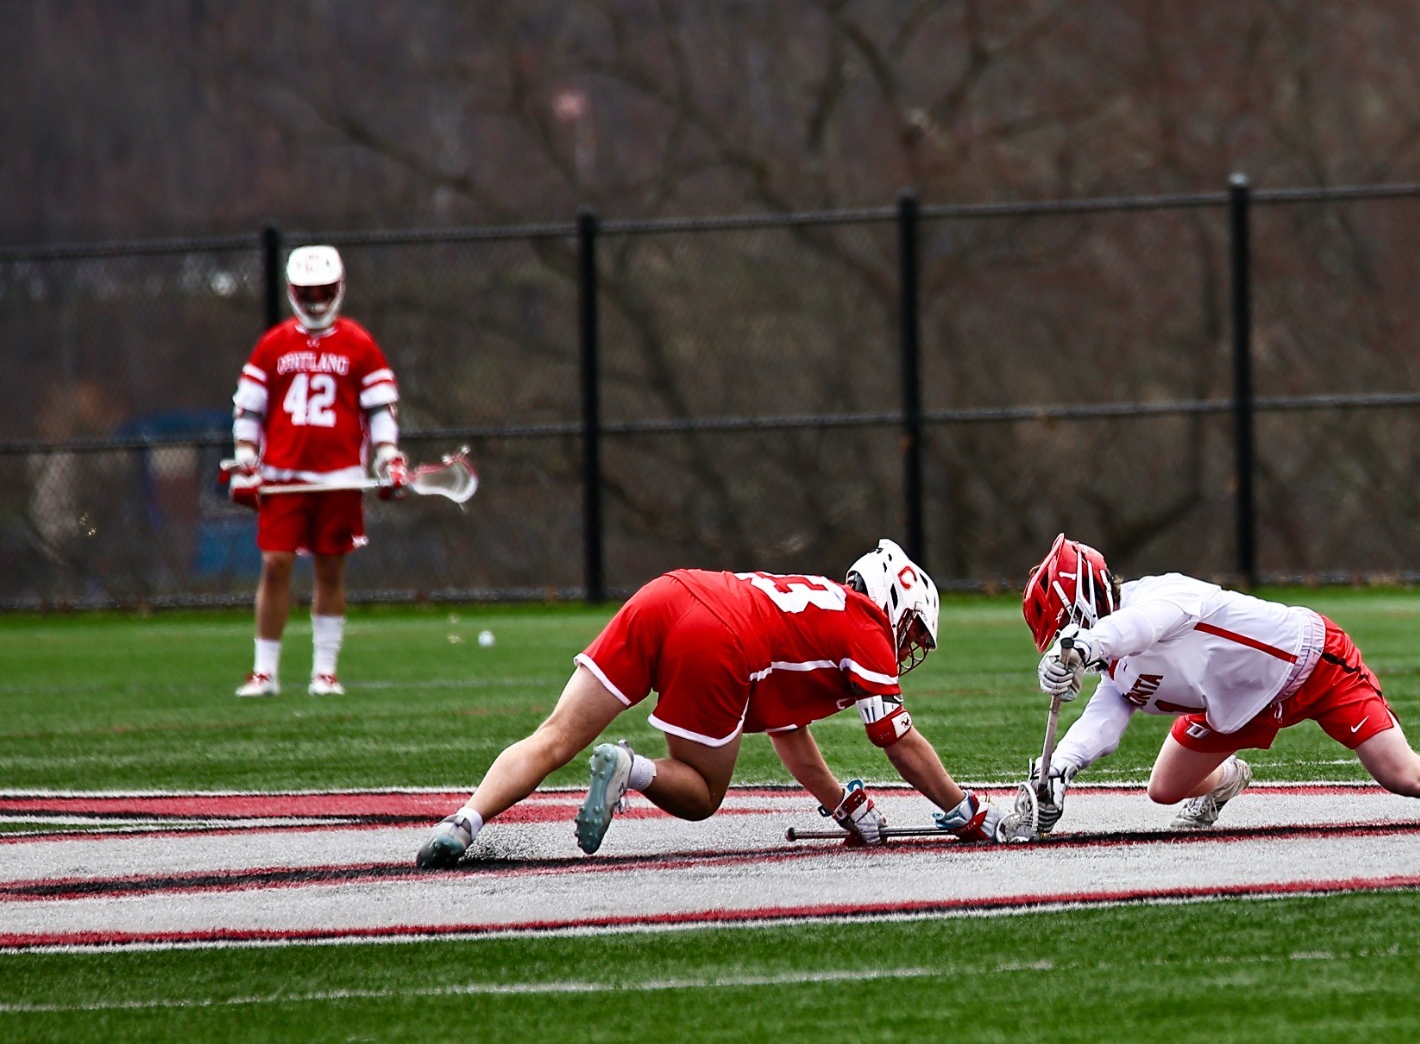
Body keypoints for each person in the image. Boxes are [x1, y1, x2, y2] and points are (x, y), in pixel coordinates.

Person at [417, 540, 1028, 868]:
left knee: (552, 737)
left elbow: (792, 737)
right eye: (911, 629)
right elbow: (898, 740)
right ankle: (631, 769)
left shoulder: (818, 609)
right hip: (722, 635)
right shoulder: (866, 627)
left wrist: (841, 803)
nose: (906, 645)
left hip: (672, 591)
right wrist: (966, 810)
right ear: (893, 598)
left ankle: (463, 822)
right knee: (703, 796)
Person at [1010, 535, 1420, 836]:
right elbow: (1104, 718)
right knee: (1164, 790)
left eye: (1065, 629)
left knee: (1408, 776)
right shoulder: (1114, 660)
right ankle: (1229, 779)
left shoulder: (1162, 595)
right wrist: (1060, 769)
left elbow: (1139, 629)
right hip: (1238, 704)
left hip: (1312, 665)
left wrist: (1086, 645)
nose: (1064, 642)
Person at [224, 246, 409, 697]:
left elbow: (380, 409)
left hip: (339, 476)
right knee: (275, 565)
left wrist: (388, 455)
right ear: (292, 292)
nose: (315, 300)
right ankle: (264, 671)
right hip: (284, 475)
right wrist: (247, 457)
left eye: (323, 291)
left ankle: (324, 671)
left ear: (339, 288)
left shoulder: (358, 343)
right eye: (307, 292)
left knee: (330, 570)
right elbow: (248, 410)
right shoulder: (274, 344)